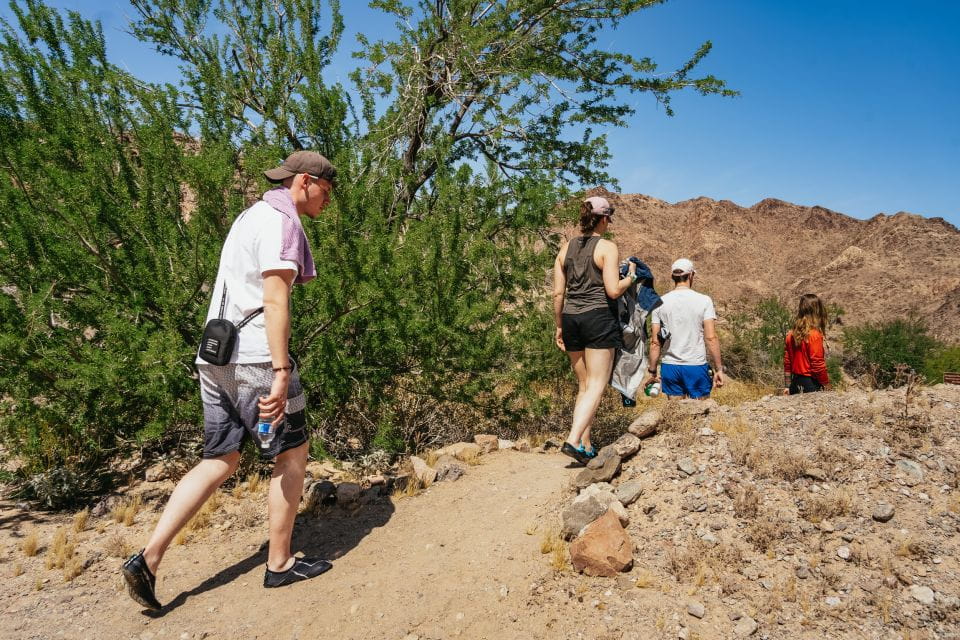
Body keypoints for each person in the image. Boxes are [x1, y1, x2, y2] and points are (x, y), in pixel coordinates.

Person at [122, 151, 337, 610]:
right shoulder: (284, 224)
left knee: (220, 457)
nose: (329, 199)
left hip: (215, 354)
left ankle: (149, 557)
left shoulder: (250, 216)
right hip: (257, 359)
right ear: (305, 181)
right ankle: (279, 564)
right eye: (327, 189)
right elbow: (276, 300)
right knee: (292, 451)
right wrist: (280, 373)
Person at [553, 196, 637, 464]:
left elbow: (557, 293)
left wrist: (558, 326)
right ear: (603, 219)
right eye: (608, 218)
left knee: (584, 385)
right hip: (598, 318)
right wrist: (631, 277)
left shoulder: (564, 249)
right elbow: (613, 290)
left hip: (570, 319)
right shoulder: (607, 248)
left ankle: (585, 445)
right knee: (598, 384)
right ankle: (573, 440)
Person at [642, 258, 724, 399]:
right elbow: (711, 337)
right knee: (701, 412)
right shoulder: (704, 300)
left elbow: (655, 342)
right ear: (691, 275)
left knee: (676, 414)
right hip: (696, 365)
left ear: (672, 277)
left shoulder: (659, 303)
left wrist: (653, 371)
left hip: (670, 366)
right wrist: (719, 369)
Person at [783, 293, 831, 394]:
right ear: (817, 311)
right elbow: (817, 364)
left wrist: (787, 386)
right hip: (811, 384)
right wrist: (826, 384)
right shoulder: (815, 335)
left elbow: (787, 363)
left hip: (795, 384)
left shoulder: (790, 335)